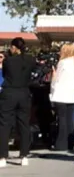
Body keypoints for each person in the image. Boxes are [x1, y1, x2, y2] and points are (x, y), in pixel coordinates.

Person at [0, 37, 37, 168]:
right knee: (24, 124)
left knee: (4, 124)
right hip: (24, 93)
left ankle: (2, 156)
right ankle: (24, 155)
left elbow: (4, 75)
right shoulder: (30, 60)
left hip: (9, 92)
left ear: (14, 47)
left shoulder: (8, 61)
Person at [50, 44, 74, 152]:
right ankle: (69, 143)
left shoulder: (62, 62)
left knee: (62, 120)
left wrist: (52, 77)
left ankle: (61, 144)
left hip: (61, 94)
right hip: (71, 95)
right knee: (69, 120)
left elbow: (56, 79)